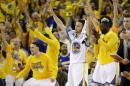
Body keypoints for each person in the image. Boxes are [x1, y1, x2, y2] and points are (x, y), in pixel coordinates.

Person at [48, 5, 89, 86]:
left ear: (83, 27)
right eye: (76, 25)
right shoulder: (72, 34)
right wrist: (53, 14)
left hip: (81, 65)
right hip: (72, 64)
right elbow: (60, 24)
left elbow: (89, 26)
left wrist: (89, 14)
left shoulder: (85, 36)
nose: (76, 27)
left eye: (78, 26)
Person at [117, 14, 130, 86]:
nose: (125, 23)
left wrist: (127, 40)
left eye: (127, 21)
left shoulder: (124, 36)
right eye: (124, 21)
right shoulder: (122, 33)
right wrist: (116, 57)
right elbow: (120, 51)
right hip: (124, 70)